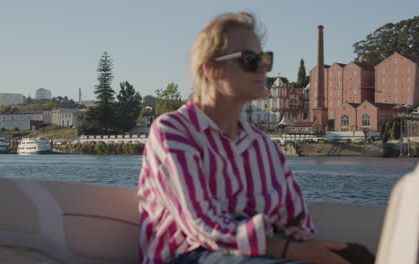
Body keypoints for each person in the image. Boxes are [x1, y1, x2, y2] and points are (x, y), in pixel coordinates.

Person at [137, 12, 350, 264]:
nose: (263, 68)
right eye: (250, 59)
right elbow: (202, 225)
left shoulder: (265, 147)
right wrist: (285, 249)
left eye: (265, 59)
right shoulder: (172, 131)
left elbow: (297, 217)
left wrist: (297, 237)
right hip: (187, 255)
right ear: (212, 69)